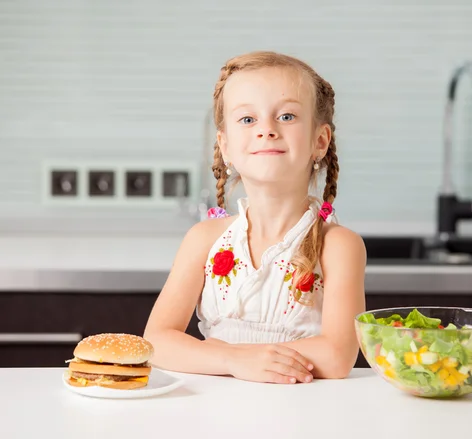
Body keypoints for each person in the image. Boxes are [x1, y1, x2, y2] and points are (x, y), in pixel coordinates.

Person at [144, 51, 366, 384]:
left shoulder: (338, 246)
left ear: (319, 141)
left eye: (287, 116)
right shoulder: (203, 240)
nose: (267, 129)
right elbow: (156, 342)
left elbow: (336, 357)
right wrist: (234, 359)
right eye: (248, 120)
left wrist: (247, 359)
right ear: (226, 145)